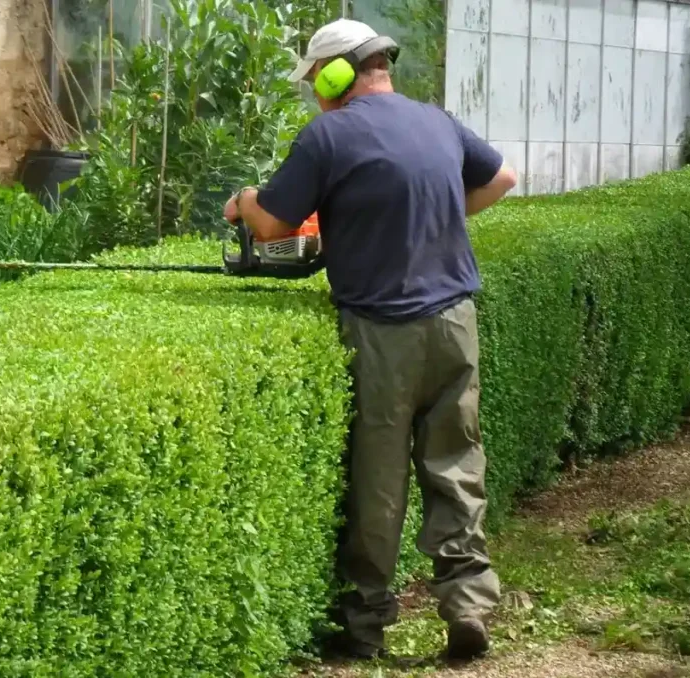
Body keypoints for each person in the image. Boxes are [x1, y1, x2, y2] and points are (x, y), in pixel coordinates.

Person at [222, 17, 518, 664]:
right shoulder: (436, 121)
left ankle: (364, 628)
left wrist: (243, 201)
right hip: (454, 324)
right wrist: (426, 211)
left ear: (334, 74)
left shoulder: (330, 134)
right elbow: (501, 180)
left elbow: (272, 224)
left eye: (315, 80)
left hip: (383, 331)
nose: (313, 94)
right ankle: (468, 604)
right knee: (456, 466)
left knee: (379, 483)